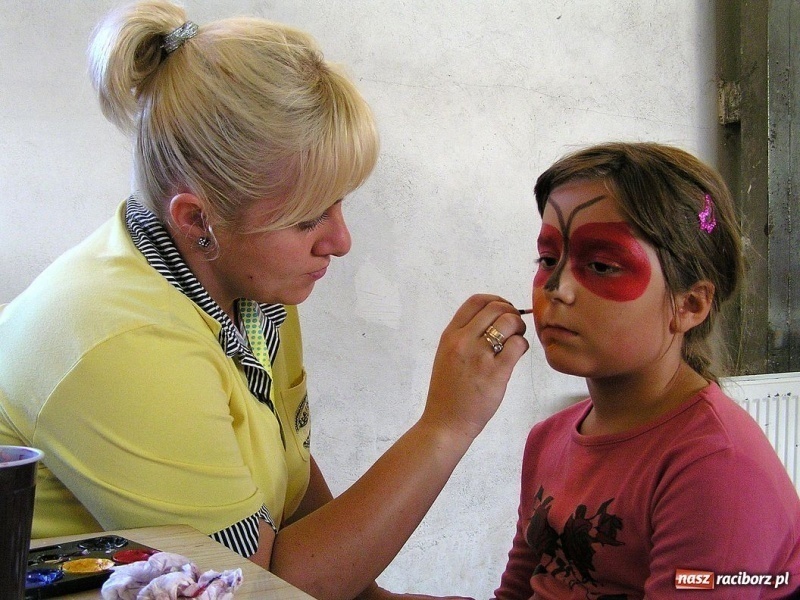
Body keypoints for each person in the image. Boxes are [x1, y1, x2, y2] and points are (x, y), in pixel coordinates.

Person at [0, 3, 529, 600]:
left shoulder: (250, 291)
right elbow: (254, 588)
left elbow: (288, 482)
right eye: (307, 219)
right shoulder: (120, 342)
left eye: (338, 203)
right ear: (198, 219)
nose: (340, 241)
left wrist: (375, 599)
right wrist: (446, 426)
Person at [493, 142, 800, 599]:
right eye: (548, 260)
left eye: (601, 265)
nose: (557, 289)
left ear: (689, 304)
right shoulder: (547, 439)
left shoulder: (716, 467)